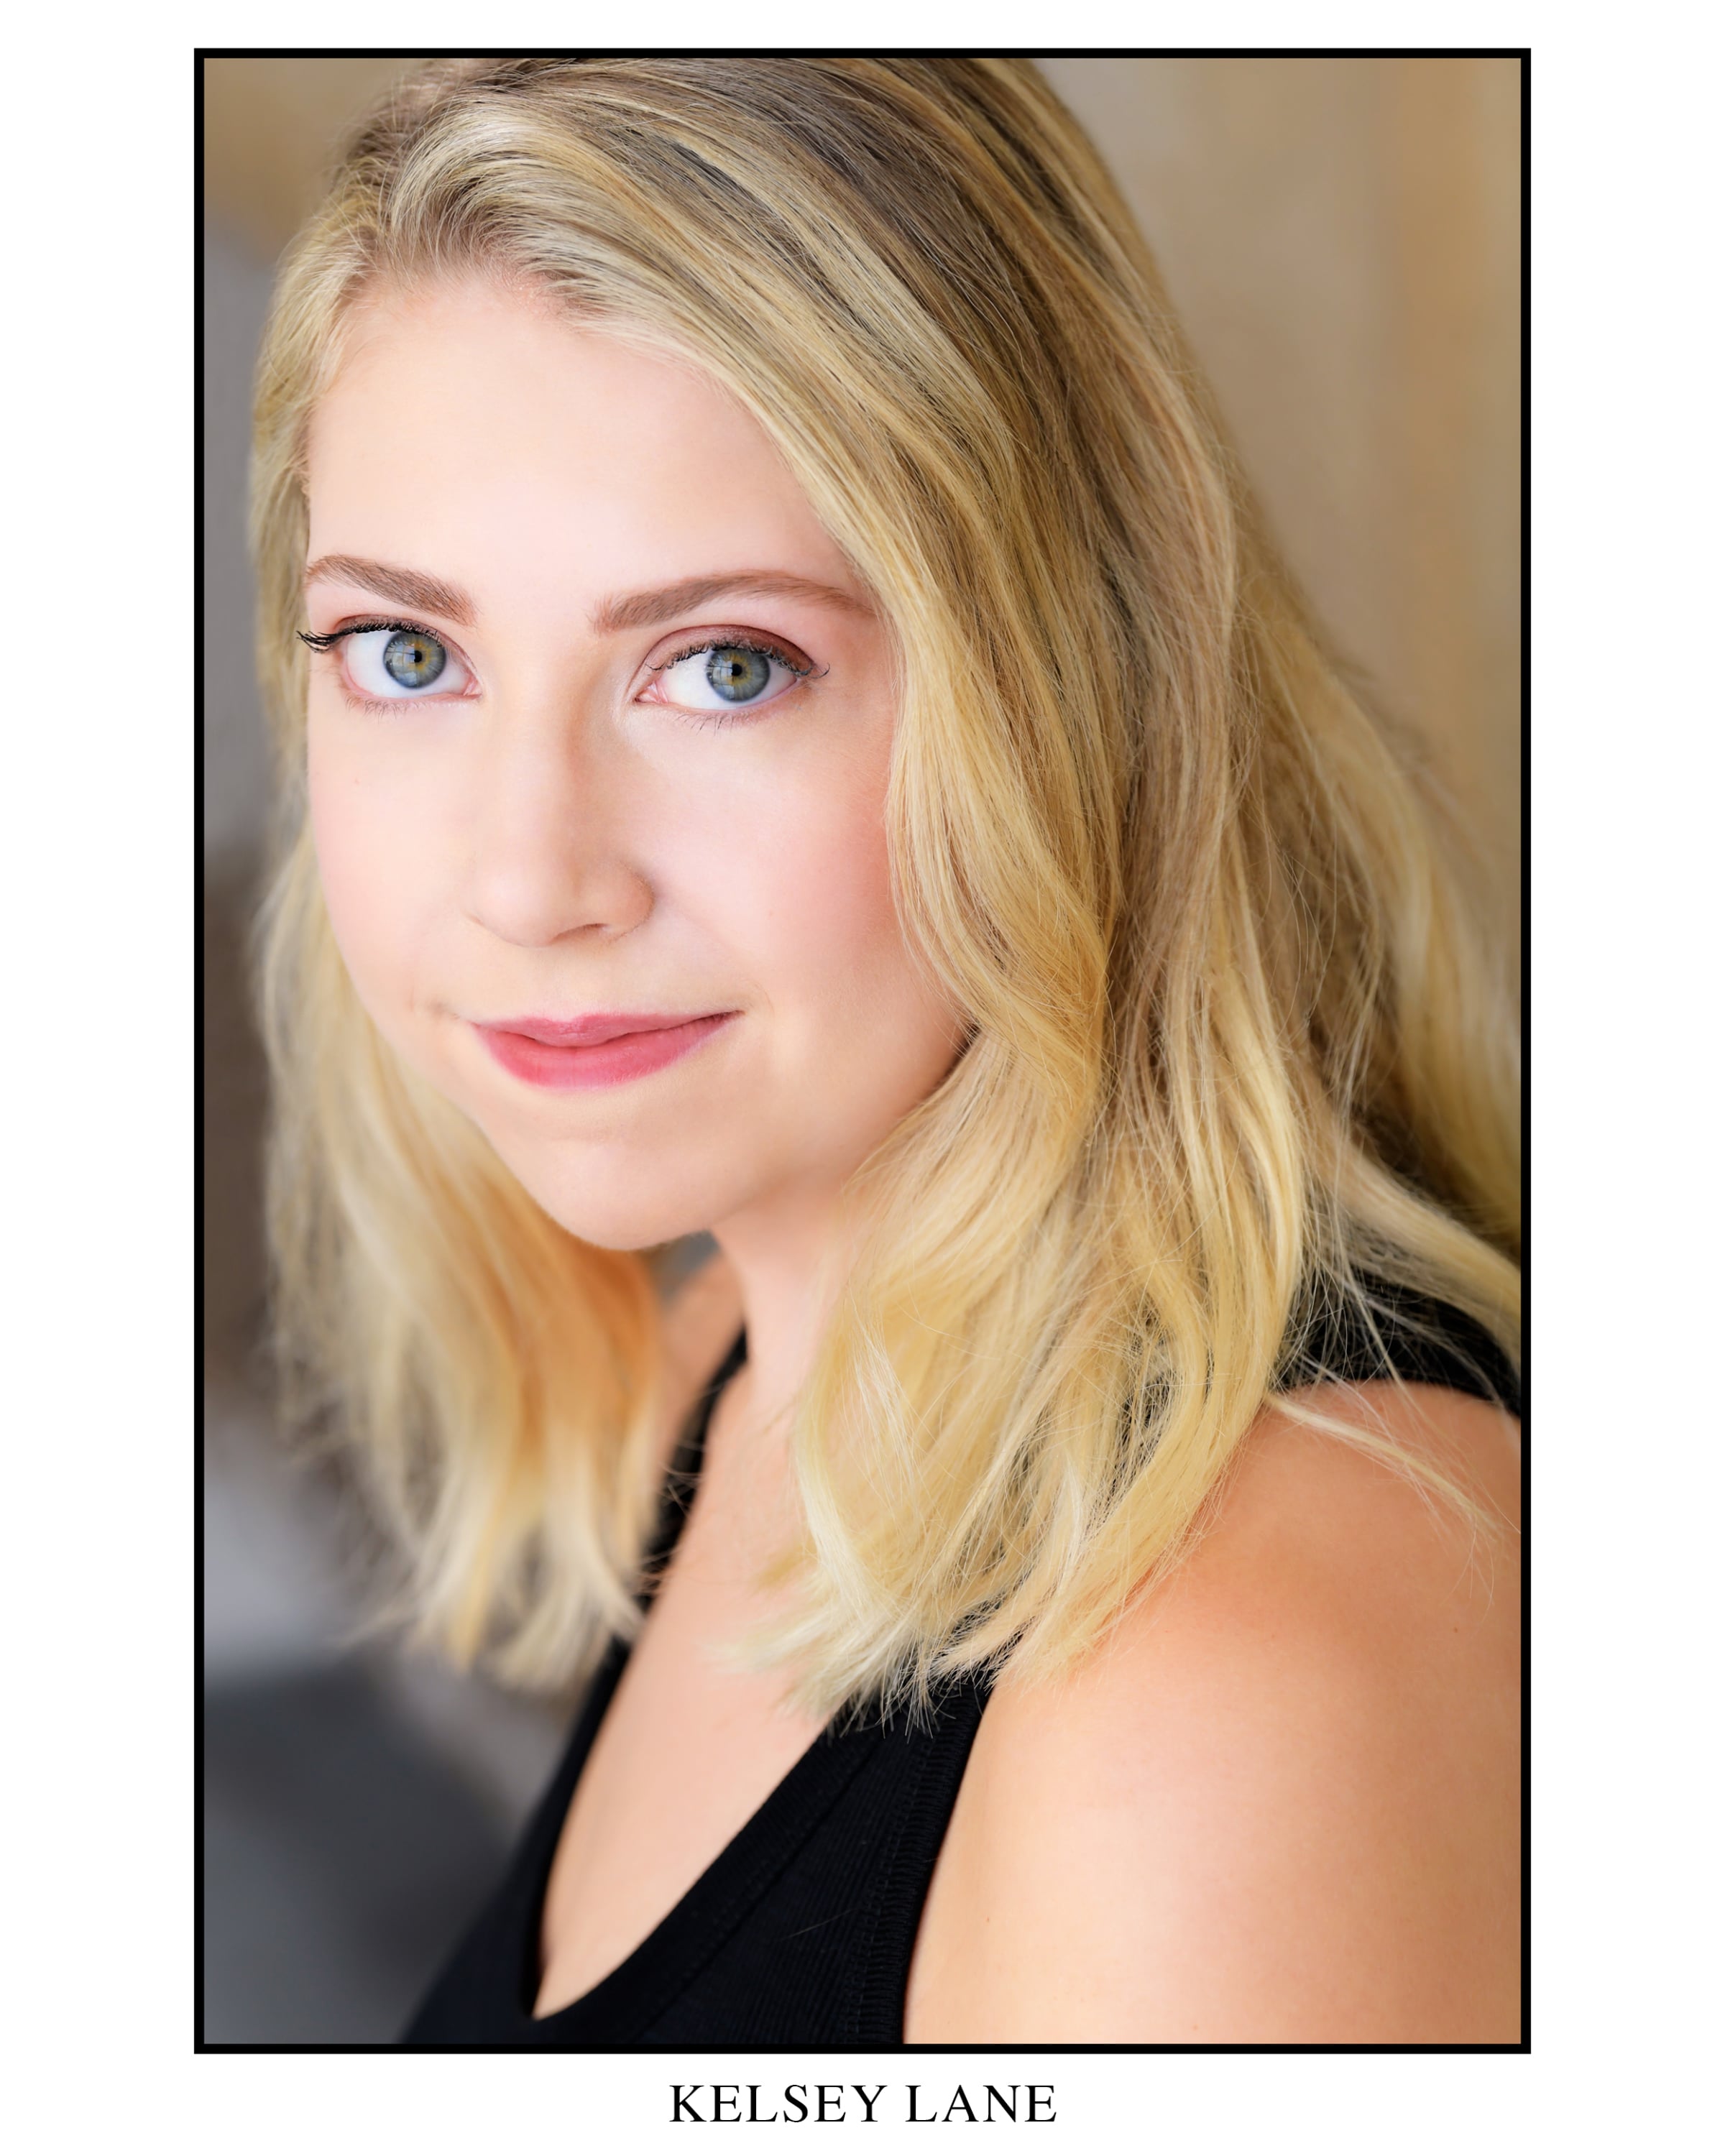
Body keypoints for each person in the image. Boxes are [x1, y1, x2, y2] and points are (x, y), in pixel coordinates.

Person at [248, 57, 1522, 2045]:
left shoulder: (1228, 1673)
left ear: (1074, 686)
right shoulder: (733, 1369)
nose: (528, 879)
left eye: (725, 666)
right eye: (410, 655)